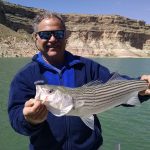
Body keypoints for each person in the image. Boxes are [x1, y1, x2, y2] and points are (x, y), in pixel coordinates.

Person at [8, 11, 150, 150]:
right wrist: (29, 120)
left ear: (66, 37)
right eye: (45, 34)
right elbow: (16, 118)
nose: (52, 39)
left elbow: (113, 87)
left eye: (58, 34)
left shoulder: (87, 66)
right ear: (36, 38)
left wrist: (141, 87)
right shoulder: (24, 76)